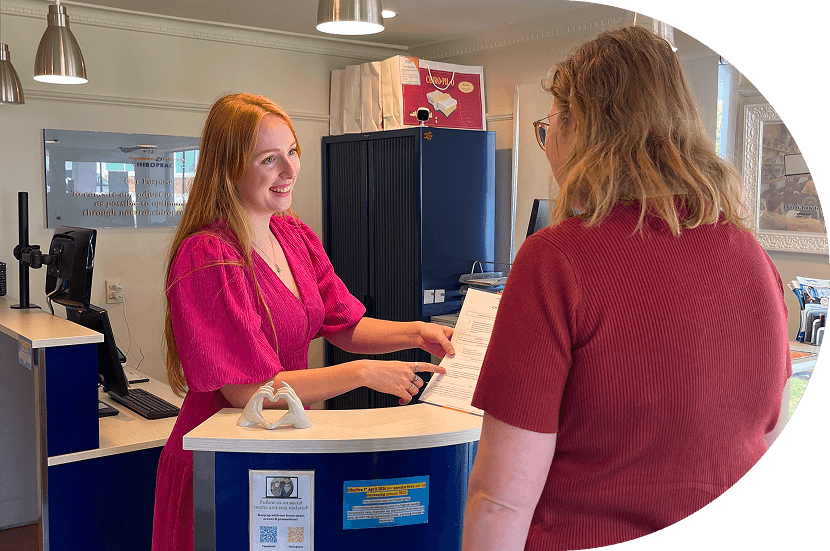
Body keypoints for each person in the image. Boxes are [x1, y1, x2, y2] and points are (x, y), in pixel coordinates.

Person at [462, 26, 791, 551]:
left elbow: (500, 500)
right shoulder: (752, 258)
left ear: (579, 130)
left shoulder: (556, 259)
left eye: (550, 128)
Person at [151, 93, 453, 550]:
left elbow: (344, 324)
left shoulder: (293, 234)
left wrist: (417, 333)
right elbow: (248, 393)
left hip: (284, 444)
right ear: (229, 167)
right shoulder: (208, 256)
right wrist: (363, 374)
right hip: (222, 458)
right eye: (269, 159)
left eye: (292, 152)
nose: (290, 171)